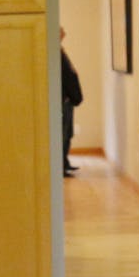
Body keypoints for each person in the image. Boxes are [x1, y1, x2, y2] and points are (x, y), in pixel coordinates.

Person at [61, 26, 84, 175]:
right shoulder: (55, 52)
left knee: (68, 133)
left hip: (68, 100)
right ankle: (61, 166)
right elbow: (66, 76)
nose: (64, 33)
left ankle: (65, 162)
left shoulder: (60, 50)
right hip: (64, 100)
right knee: (62, 134)